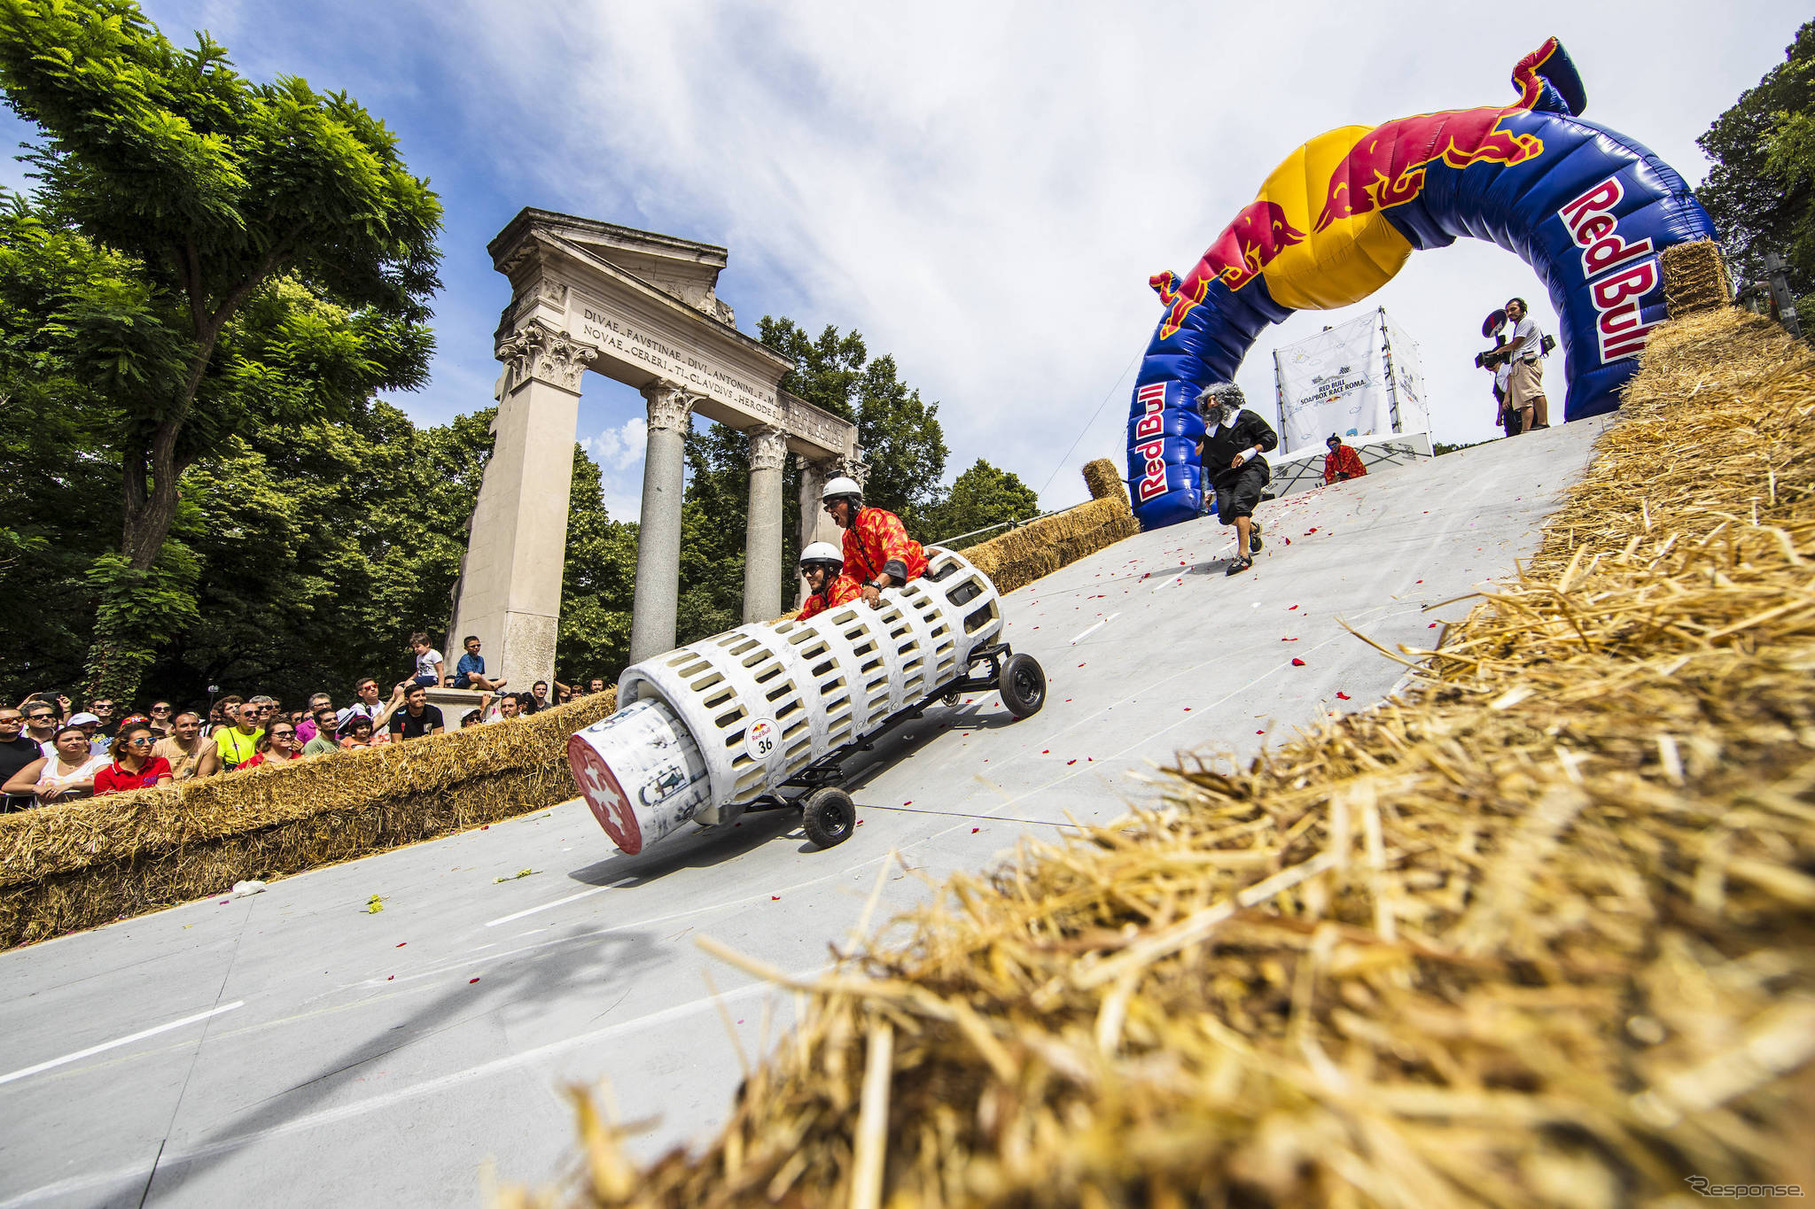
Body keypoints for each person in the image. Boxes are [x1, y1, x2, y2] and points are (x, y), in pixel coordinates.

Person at [1195, 382, 1277, 576]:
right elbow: (1209, 465)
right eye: (1208, 401)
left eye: (1215, 398)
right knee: (1225, 515)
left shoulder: (1244, 417)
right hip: (1224, 478)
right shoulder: (1209, 434)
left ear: (1226, 398)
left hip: (1249, 468)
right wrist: (1210, 491)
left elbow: (1270, 437)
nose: (1212, 403)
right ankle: (1253, 527)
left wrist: (1250, 451)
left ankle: (1243, 555)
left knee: (1240, 505)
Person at [822, 475, 927, 609]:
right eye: (827, 508)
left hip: (917, 581)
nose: (830, 511)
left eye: (833, 505)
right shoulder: (848, 538)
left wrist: (875, 585)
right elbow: (851, 576)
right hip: (890, 591)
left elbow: (897, 559)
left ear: (852, 501)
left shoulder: (882, 520)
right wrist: (827, 595)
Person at [3, 725, 109, 805]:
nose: (74, 742)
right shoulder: (45, 762)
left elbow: (106, 782)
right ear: (55, 744)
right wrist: (35, 788)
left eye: (79, 739)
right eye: (67, 740)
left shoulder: (99, 760)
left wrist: (70, 785)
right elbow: (9, 786)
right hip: (50, 819)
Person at [1494, 297, 1549, 432]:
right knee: (1524, 401)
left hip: (1526, 362)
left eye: (1513, 309)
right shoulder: (1521, 324)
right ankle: (1526, 430)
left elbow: (1517, 343)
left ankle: (1543, 422)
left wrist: (1500, 350)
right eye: (1507, 311)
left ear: (1522, 308)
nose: (1510, 313)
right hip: (1519, 363)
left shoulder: (1526, 321)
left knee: (1535, 393)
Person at [94, 723, 174, 794]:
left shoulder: (160, 763)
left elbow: (164, 794)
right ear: (123, 748)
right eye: (139, 741)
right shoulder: (105, 777)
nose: (148, 744)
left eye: (151, 740)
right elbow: (112, 806)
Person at [796, 541, 863, 620]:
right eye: (805, 571)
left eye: (812, 569)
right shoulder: (813, 600)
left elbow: (840, 620)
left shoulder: (848, 588)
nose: (807, 575)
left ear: (830, 569)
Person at [153, 711, 220, 782]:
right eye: (184, 725)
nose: (190, 729)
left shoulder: (208, 744)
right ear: (173, 729)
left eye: (194, 725)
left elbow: (203, 776)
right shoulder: (159, 746)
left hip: (192, 787)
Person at [0, 707, 44, 811]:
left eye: (19, 719)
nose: (15, 723)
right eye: (7, 721)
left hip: (28, 804)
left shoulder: (32, 745)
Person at [213, 699, 264, 772]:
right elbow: (217, 757)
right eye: (248, 713)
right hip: (234, 774)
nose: (254, 716)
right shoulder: (223, 734)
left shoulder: (264, 734)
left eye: (257, 713)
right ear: (237, 718)